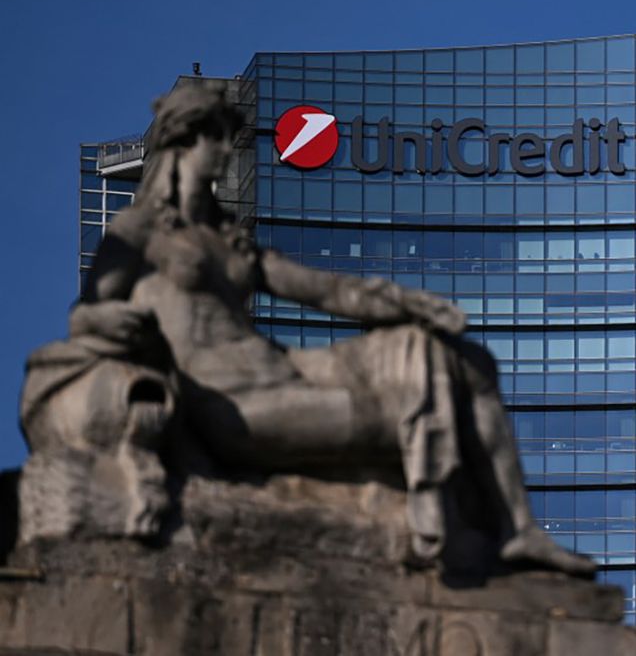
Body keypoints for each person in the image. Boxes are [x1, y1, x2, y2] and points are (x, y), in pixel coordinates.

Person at [69, 84, 594, 576]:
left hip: (287, 372)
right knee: (400, 405)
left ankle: (518, 528)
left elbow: (327, 291)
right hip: (228, 401)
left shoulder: (231, 241)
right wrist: (120, 323)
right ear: (186, 139)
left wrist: (411, 304)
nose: (228, 153)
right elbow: (86, 315)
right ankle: (434, 510)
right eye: (219, 140)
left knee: (452, 357)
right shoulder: (137, 233)